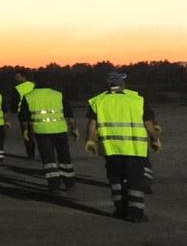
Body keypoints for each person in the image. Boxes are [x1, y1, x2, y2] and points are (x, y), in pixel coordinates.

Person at [85, 70, 160, 222]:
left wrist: (90, 140)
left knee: (116, 180)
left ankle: (120, 210)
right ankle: (136, 213)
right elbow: (148, 123)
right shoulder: (137, 100)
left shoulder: (98, 101)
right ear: (122, 84)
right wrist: (155, 139)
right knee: (135, 181)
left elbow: (92, 124)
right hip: (134, 149)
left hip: (111, 148)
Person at [24, 83, 76, 191]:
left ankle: (54, 184)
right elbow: (69, 113)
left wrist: (25, 131)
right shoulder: (58, 94)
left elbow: (24, 117)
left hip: (41, 131)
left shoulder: (28, 96)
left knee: (48, 159)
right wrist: (74, 129)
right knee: (64, 156)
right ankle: (69, 182)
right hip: (60, 130)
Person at [11, 76, 39, 159]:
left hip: (23, 114)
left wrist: (13, 110)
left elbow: (15, 101)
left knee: (27, 134)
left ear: (23, 77)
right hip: (36, 111)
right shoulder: (34, 85)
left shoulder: (17, 88)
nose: (16, 79)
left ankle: (31, 154)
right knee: (39, 134)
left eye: (17, 77)